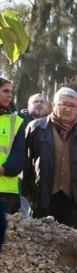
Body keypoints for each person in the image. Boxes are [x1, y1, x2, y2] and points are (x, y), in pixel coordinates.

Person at [23, 87, 77, 230]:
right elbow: (26, 161)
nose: (68, 109)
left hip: (73, 196)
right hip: (43, 193)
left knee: (72, 242)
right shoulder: (35, 128)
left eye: (72, 106)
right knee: (41, 239)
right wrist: (26, 190)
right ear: (54, 105)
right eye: (64, 104)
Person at [0, 77, 25, 215]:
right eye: (5, 91)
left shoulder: (16, 121)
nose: (9, 95)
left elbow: (19, 154)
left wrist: (3, 169)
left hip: (6, 192)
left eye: (11, 91)